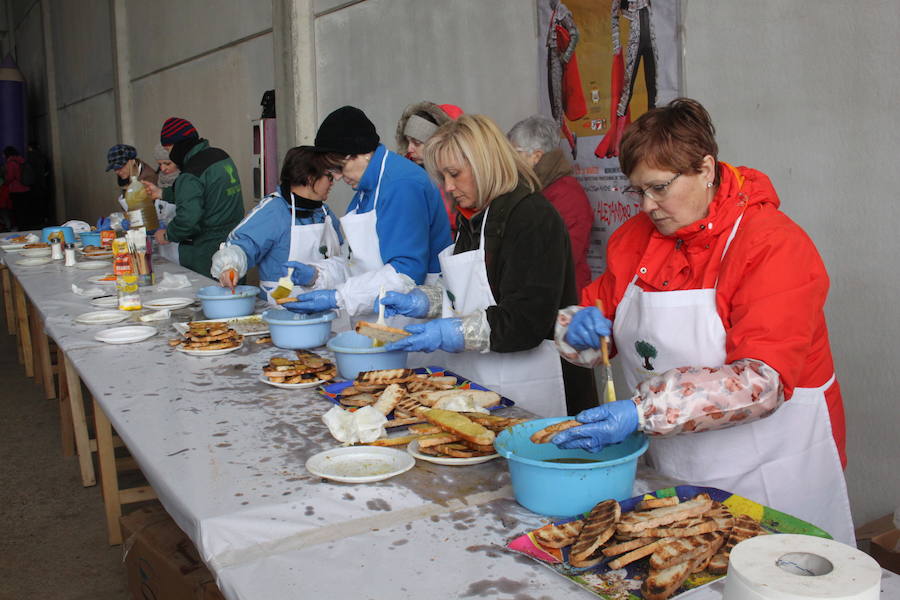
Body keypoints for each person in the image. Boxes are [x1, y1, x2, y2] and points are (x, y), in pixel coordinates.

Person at [551, 98, 853, 545]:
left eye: (659, 188)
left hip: (772, 468)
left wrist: (641, 410)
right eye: (637, 191)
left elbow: (761, 382)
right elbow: (602, 321)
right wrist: (577, 328)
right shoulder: (634, 240)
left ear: (706, 169)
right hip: (675, 466)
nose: (648, 205)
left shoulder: (771, 244)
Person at [380, 114, 594, 418]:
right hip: (486, 379)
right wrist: (425, 300)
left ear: (484, 164)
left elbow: (526, 320)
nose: (449, 187)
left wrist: (452, 332)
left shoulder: (531, 216)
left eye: (454, 174)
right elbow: (474, 291)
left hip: (537, 384)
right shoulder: (474, 215)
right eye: (443, 177)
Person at [280, 106, 451, 318]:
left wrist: (339, 297)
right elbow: (354, 262)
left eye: (339, 167)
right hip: (377, 313)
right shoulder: (364, 190)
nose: (339, 178)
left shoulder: (401, 185)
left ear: (361, 154)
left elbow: (406, 275)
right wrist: (317, 276)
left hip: (409, 319)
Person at [210, 146, 344, 303]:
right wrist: (229, 266)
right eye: (329, 176)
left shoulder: (324, 212)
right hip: (282, 306)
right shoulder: (274, 210)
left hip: (326, 304)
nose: (333, 182)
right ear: (310, 177)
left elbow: (343, 255)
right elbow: (242, 245)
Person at [143, 117, 244, 278]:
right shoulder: (220, 156)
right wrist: (162, 193)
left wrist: (168, 234)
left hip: (205, 253)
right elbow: (207, 193)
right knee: (236, 296)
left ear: (177, 146)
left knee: (208, 298)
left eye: (169, 150)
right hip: (235, 247)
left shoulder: (191, 173)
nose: (170, 156)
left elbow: (188, 220)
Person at [508, 114, 593, 295]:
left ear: (536, 156)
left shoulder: (567, 195)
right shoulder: (535, 189)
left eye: (515, 153)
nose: (509, 162)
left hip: (562, 299)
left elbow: (562, 258)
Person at [395, 101, 464, 233]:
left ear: (436, 143)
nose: (410, 149)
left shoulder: (459, 175)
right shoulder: (408, 175)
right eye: (408, 141)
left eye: (417, 143)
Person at [105, 143, 157, 212]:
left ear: (132, 161)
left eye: (120, 167)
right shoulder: (125, 178)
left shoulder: (148, 179)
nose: (117, 172)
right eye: (114, 168)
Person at [153, 143, 180, 263]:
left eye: (167, 163)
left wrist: (171, 229)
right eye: (160, 164)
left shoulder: (186, 180)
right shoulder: (159, 181)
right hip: (163, 247)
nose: (163, 168)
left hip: (181, 246)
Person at [3, 146, 31, 230]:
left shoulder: (11, 163)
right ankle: (25, 226)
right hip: (26, 188)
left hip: (16, 189)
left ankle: (21, 227)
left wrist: (5, 180)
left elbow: (10, 177)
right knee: (24, 209)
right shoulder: (22, 160)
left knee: (17, 209)